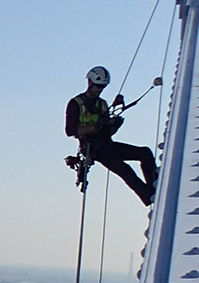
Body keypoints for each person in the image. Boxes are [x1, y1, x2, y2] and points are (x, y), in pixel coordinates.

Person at [66, 66, 157, 205]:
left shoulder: (102, 104)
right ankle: (148, 196)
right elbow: (70, 131)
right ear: (90, 83)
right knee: (125, 170)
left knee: (144, 153)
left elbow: (108, 132)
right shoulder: (76, 103)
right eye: (97, 86)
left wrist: (113, 125)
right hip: (93, 148)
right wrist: (94, 127)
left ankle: (154, 183)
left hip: (107, 144)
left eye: (102, 87)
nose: (99, 90)